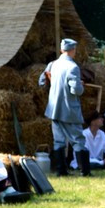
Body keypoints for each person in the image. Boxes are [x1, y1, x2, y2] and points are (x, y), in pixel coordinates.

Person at [40, 38, 90, 176]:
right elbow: (76, 91)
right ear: (73, 50)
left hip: (53, 109)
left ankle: (61, 171)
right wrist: (80, 86)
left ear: (62, 50)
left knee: (59, 141)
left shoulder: (53, 64)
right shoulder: (73, 67)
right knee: (78, 140)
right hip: (69, 110)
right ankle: (84, 171)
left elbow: (41, 81)